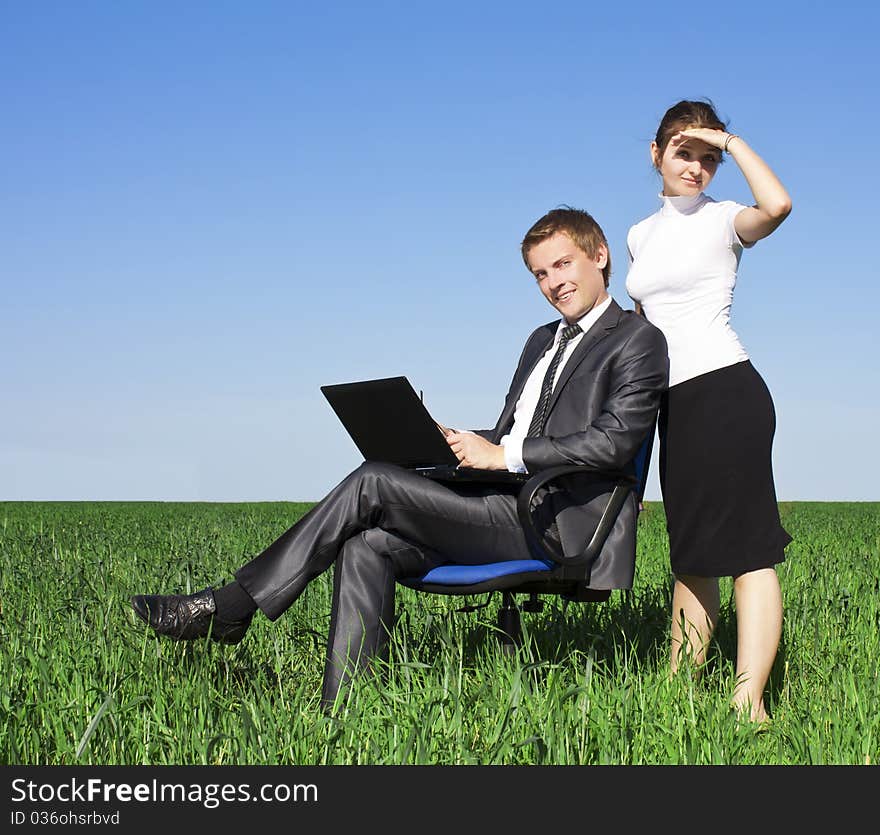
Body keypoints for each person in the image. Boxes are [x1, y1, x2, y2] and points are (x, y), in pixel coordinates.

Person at [132, 207, 668, 710]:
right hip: (500, 501)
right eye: (539, 274)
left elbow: (614, 442)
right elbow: (515, 431)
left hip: (554, 521)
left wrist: (500, 453)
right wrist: (453, 440)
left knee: (373, 483)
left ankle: (229, 608)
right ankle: (346, 710)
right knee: (368, 544)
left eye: (562, 264)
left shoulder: (638, 340)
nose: (553, 283)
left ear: (598, 255)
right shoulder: (540, 340)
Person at [625, 100, 792, 724]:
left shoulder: (726, 220)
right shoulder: (640, 235)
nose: (695, 166)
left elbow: (778, 205)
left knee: (749, 551)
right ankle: (677, 685)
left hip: (727, 391)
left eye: (707, 158)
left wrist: (731, 138)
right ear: (656, 154)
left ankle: (748, 703)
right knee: (691, 553)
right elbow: (643, 337)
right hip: (676, 405)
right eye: (682, 152)